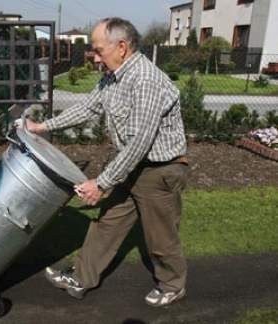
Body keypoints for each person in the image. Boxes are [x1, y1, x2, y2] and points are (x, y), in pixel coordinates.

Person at [22, 17, 189, 307]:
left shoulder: (145, 80)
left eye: (99, 50)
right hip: (132, 167)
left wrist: (101, 183)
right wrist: (43, 127)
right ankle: (82, 278)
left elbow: (138, 143)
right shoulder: (113, 77)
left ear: (121, 47)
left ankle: (172, 285)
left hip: (159, 171)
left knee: (160, 238)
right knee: (107, 224)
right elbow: (88, 108)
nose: (95, 57)